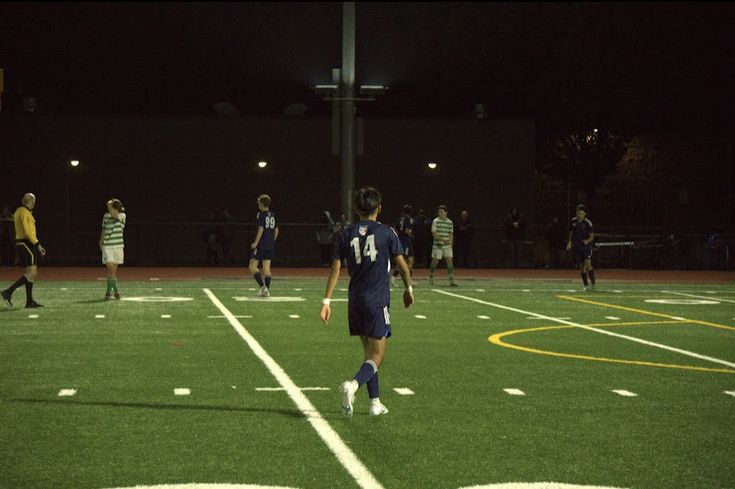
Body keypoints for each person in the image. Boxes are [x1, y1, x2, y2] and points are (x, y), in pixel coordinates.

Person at [320, 186, 414, 417]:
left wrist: (327, 301)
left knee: (368, 353)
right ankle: (353, 385)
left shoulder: (346, 233)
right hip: (376, 300)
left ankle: (374, 403)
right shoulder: (387, 232)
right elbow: (402, 266)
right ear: (379, 209)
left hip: (355, 301)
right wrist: (409, 288)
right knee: (377, 355)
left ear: (355, 209)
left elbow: (335, 268)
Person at [1, 193, 46, 308]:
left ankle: (29, 301)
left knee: (30, 273)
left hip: (21, 243)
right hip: (26, 243)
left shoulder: (18, 211)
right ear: (31, 202)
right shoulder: (25, 213)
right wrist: (38, 245)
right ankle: (8, 292)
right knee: (33, 272)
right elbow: (27, 232)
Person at [249, 194, 279, 297]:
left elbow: (261, 229)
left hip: (261, 245)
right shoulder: (273, 214)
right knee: (267, 269)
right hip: (270, 245)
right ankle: (266, 290)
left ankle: (262, 287)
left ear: (262, 204)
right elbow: (276, 230)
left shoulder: (260, 214)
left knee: (252, 267)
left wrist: (256, 242)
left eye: (259, 202)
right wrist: (271, 241)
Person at [99, 198, 126, 300]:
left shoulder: (122, 216)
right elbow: (104, 229)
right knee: (111, 269)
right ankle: (116, 291)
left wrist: (112, 206)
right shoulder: (106, 216)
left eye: (109, 206)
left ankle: (108, 292)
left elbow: (115, 215)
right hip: (108, 246)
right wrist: (101, 241)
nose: (107, 208)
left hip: (118, 246)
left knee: (112, 272)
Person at [566, 204, 596, 291]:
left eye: (582, 214)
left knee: (588, 265)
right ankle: (586, 285)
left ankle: (593, 282)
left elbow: (592, 236)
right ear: (576, 213)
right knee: (582, 267)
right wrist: (570, 242)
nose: (580, 215)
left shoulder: (588, 223)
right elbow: (571, 233)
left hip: (586, 246)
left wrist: (587, 241)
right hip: (578, 246)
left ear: (585, 214)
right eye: (578, 213)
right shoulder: (573, 221)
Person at [428, 204, 457, 286]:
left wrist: (450, 242)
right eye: (439, 212)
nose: (440, 213)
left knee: (449, 260)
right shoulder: (435, 221)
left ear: (446, 213)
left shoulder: (450, 222)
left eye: (441, 212)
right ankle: (431, 277)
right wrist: (442, 240)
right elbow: (434, 233)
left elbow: (451, 233)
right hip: (438, 245)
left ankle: (451, 279)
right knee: (435, 261)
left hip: (447, 246)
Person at [391, 204, 415, 286]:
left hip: (401, 240)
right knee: (405, 260)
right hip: (406, 241)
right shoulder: (409, 219)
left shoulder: (400, 219)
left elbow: (395, 229)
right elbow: (407, 231)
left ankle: (410, 280)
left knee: (410, 260)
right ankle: (394, 278)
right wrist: (412, 235)